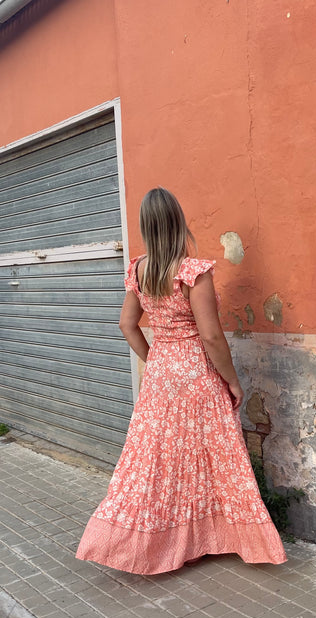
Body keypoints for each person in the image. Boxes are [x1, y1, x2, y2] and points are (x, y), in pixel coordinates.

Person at [76, 187, 287, 575]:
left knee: (156, 460)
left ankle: (149, 542)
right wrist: (234, 382)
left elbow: (127, 325)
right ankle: (219, 536)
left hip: (160, 376)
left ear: (145, 226)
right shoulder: (193, 271)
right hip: (196, 374)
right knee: (213, 453)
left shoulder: (139, 270)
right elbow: (210, 336)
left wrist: (155, 359)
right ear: (177, 222)